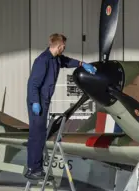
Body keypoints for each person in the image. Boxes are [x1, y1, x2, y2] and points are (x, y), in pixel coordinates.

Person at [24, 33, 97, 180]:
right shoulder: (42, 61)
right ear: (59, 46)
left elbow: (68, 61)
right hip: (37, 101)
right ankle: (34, 169)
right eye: (64, 46)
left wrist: (83, 64)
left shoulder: (56, 59)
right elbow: (33, 84)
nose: (64, 48)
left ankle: (34, 168)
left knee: (39, 135)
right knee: (37, 136)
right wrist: (35, 102)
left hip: (44, 101)